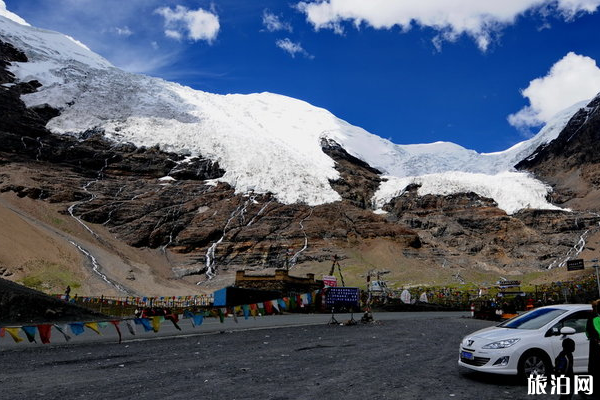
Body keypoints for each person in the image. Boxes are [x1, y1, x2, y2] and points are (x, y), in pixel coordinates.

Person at [586, 300, 600, 397]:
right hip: (597, 344)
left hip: (594, 344)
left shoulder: (591, 317)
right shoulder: (596, 318)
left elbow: (587, 332)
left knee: (593, 366)